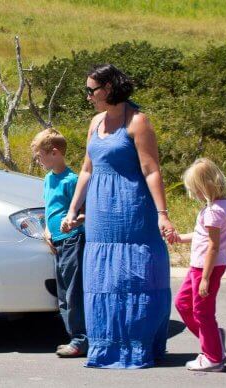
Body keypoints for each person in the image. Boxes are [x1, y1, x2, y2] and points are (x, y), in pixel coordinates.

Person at [61, 64, 177, 369]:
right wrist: (74, 210)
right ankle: (106, 349)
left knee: (134, 277)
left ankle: (138, 349)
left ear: (108, 89)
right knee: (104, 280)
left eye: (91, 90)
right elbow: (87, 169)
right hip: (101, 214)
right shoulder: (95, 122)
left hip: (133, 210)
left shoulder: (138, 122)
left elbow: (151, 170)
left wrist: (162, 214)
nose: (88, 97)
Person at [172, 158, 226, 372]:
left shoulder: (214, 212)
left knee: (202, 313)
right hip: (198, 267)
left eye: (195, 190)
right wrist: (180, 238)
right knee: (182, 303)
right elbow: (202, 236)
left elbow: (213, 247)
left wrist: (205, 278)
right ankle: (213, 339)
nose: (194, 194)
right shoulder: (219, 205)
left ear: (205, 186)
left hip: (206, 268)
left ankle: (213, 357)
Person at [31, 128, 87, 358]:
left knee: (74, 292)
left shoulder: (71, 180)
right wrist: (46, 229)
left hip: (72, 240)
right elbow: (49, 208)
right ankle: (73, 336)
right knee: (62, 294)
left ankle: (81, 339)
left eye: (40, 155)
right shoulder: (48, 179)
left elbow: (84, 212)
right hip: (56, 243)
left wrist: (72, 222)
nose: (38, 159)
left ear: (54, 153)